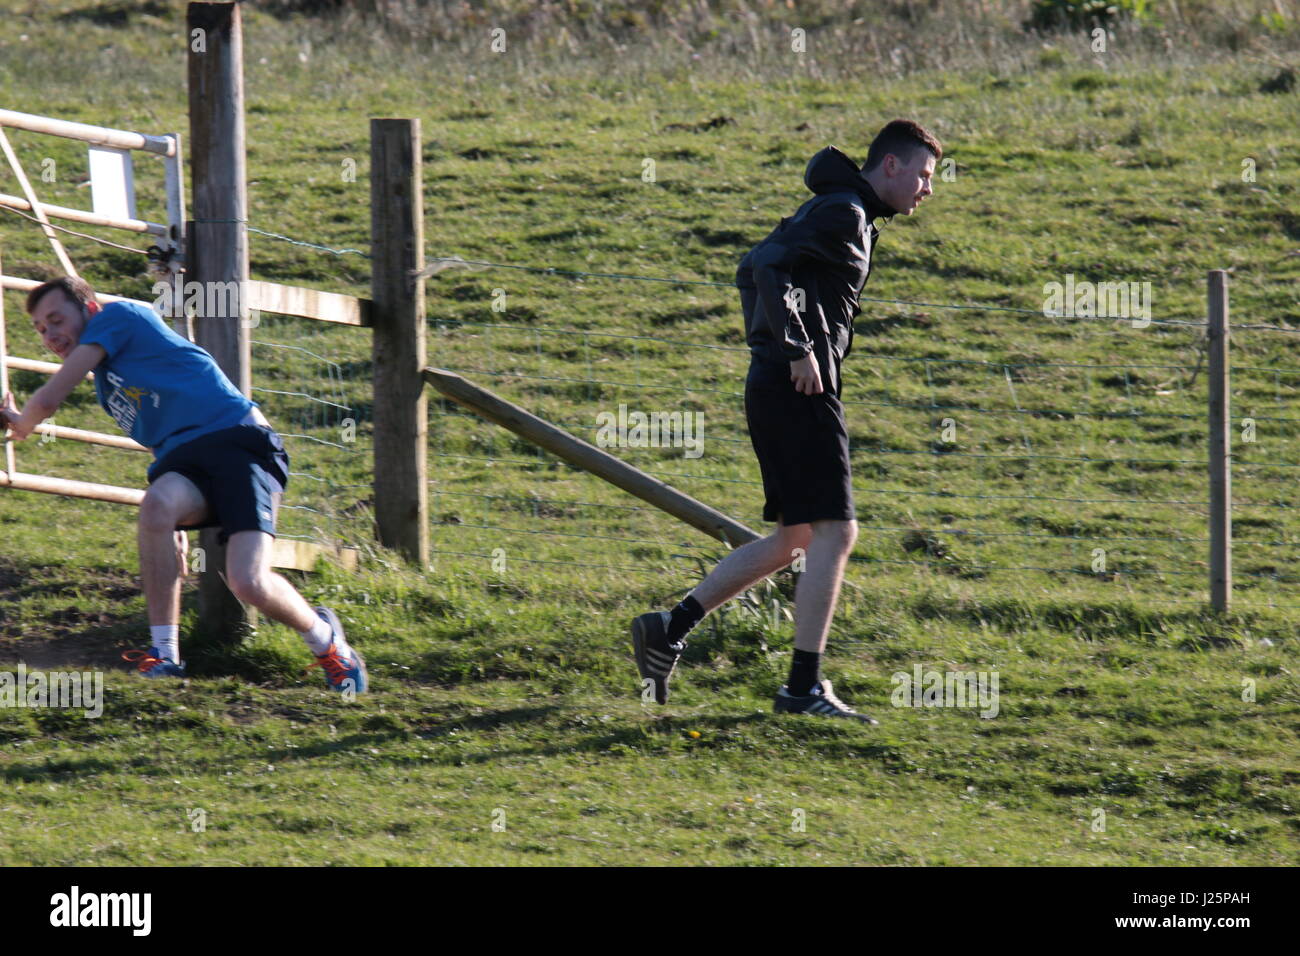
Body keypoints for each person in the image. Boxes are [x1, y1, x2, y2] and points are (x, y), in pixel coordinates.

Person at [632, 119, 941, 721]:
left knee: (796, 538)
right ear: (892, 167)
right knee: (836, 533)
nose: (929, 189)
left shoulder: (844, 209)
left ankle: (668, 629)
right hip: (797, 385)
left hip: (778, 385)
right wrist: (799, 347)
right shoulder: (844, 212)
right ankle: (802, 688)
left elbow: (767, 267)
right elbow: (764, 267)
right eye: (924, 176)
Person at [0, 276, 367, 692]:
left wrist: (21, 423)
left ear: (90, 310)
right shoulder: (107, 382)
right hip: (184, 461)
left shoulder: (120, 316)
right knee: (156, 507)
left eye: (56, 320)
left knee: (247, 582)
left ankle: (328, 643)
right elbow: (165, 435)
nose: (50, 335)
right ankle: (165, 656)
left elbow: (48, 399)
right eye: (40, 329)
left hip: (238, 444)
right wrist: (171, 521)